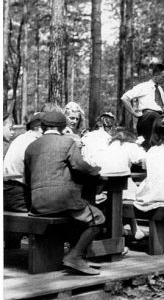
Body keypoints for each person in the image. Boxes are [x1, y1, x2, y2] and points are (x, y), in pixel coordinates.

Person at [24, 111, 105, 275]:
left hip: (38, 203)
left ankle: (78, 256)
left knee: (75, 217)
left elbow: (27, 178)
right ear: (63, 127)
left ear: (43, 126)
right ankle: (74, 256)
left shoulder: (31, 147)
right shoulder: (67, 142)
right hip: (61, 200)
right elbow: (80, 167)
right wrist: (96, 170)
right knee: (98, 218)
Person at [92, 130, 147, 240]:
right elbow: (145, 158)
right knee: (132, 190)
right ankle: (130, 227)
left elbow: (92, 163)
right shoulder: (129, 146)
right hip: (119, 184)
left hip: (99, 186)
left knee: (125, 189)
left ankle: (124, 226)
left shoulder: (103, 148)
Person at [121, 63, 164, 149]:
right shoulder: (143, 86)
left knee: (159, 146)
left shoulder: (160, 89)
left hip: (159, 119)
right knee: (146, 145)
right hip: (148, 118)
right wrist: (133, 112)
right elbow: (125, 98)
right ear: (156, 75)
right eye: (163, 77)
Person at [3, 112, 45, 212]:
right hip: (18, 196)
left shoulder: (22, 138)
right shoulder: (33, 143)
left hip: (7, 192)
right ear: (40, 128)